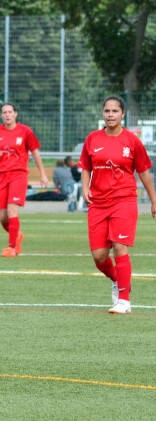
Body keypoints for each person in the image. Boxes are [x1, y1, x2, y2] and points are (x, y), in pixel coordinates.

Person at [77, 95, 156, 314]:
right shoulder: (93, 138)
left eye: (114, 111)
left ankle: (124, 300)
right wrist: (85, 188)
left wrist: (153, 199)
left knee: (120, 246)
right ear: (103, 113)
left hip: (124, 200)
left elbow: (144, 173)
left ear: (123, 114)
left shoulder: (132, 141)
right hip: (98, 203)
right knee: (99, 256)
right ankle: (117, 280)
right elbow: (85, 167)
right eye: (107, 111)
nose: (110, 115)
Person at [0, 102, 49, 257]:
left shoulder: (25, 131)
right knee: (3, 217)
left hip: (18, 175)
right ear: (1, 115)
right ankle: (16, 235)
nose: (7, 115)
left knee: (12, 210)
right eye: (4, 112)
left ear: (15, 114)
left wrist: (43, 174)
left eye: (10, 112)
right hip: (1, 176)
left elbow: (35, 153)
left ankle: (12, 248)